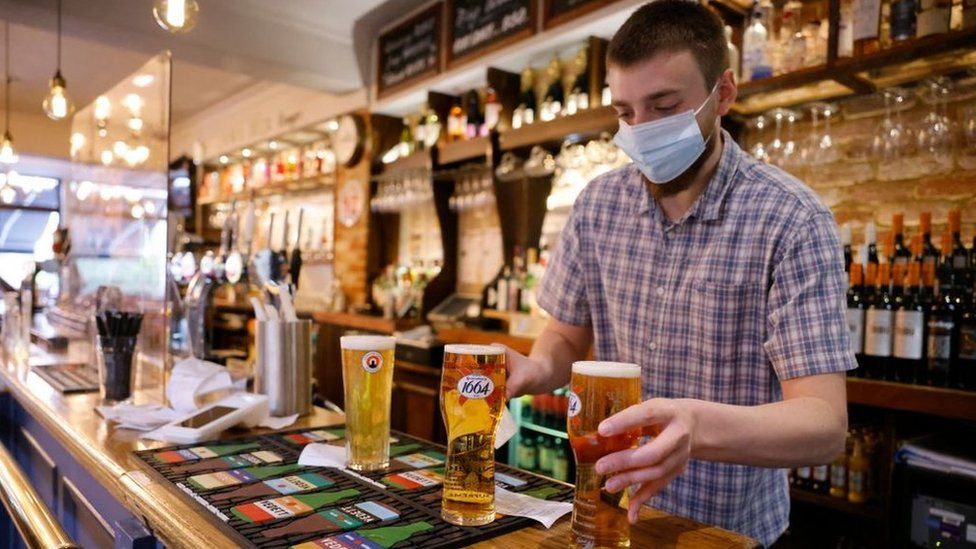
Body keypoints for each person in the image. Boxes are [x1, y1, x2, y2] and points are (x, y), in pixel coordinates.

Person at [503, 1, 854, 546]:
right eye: (625, 113)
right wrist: (536, 369)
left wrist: (694, 426)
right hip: (606, 517)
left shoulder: (791, 219)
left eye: (664, 106)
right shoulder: (598, 205)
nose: (641, 131)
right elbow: (567, 337)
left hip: (725, 532)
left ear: (725, 94)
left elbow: (824, 427)